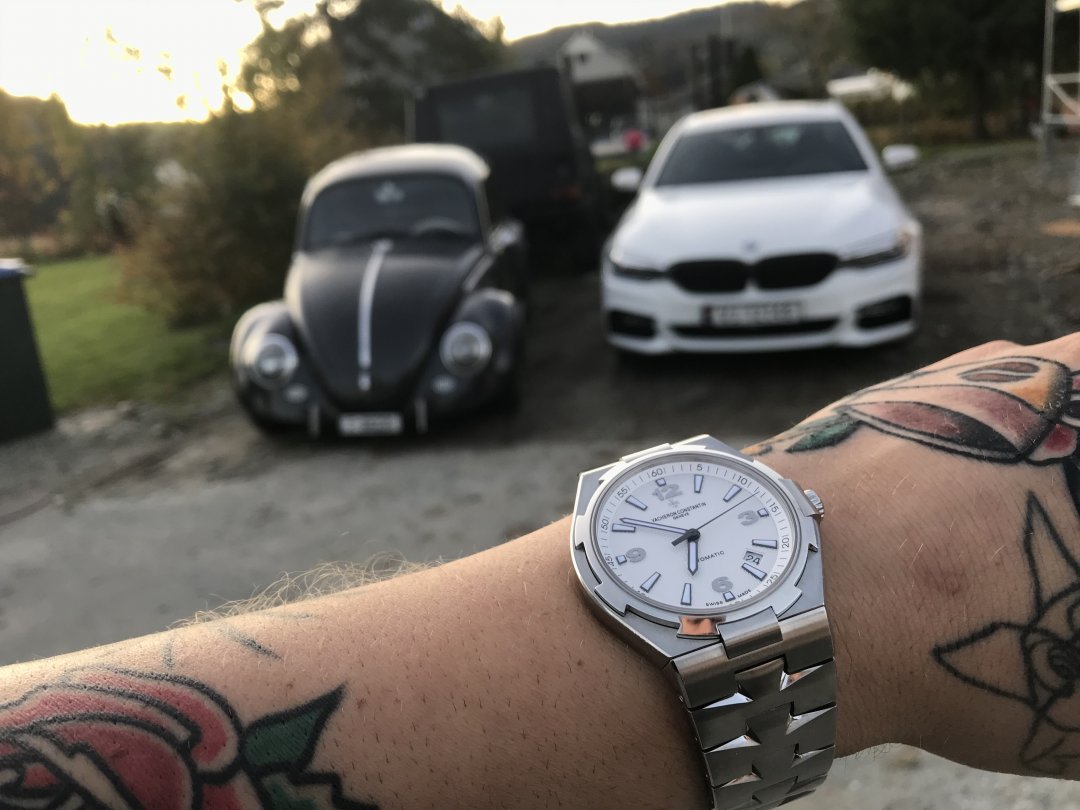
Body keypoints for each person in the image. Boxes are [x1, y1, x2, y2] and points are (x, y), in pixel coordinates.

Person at [1, 337, 1079, 809]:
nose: (690, 534)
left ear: (795, 510)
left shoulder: (779, 514)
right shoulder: (613, 565)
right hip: (714, 631)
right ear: (597, 555)